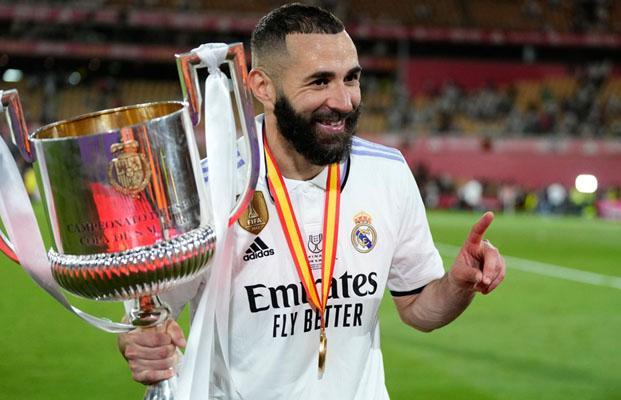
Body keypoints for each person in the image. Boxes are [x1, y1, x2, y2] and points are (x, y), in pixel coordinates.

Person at [118, 4, 506, 399]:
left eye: (351, 78)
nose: (344, 101)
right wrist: (144, 340)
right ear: (263, 87)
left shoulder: (387, 173)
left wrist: (457, 284)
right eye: (320, 81)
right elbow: (148, 318)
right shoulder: (207, 189)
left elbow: (420, 307)